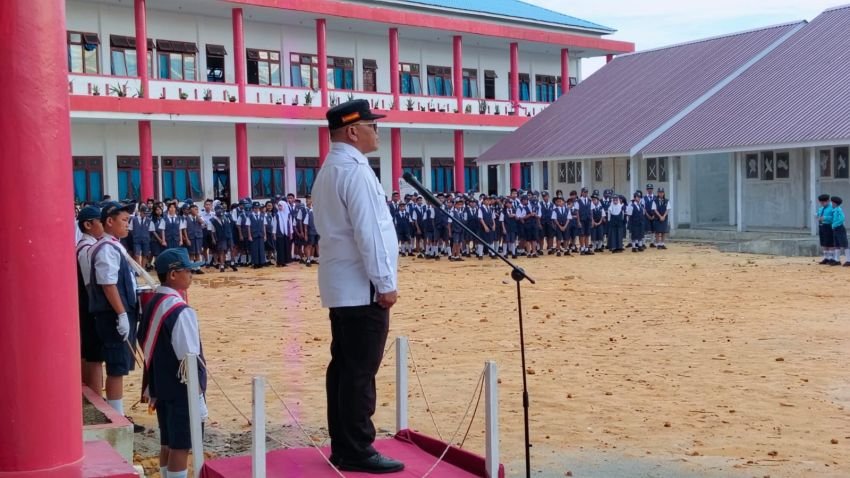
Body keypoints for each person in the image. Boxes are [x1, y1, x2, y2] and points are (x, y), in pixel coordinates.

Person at [312, 100, 404, 473]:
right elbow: (371, 233)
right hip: (362, 288)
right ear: (352, 131)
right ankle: (357, 449)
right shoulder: (355, 171)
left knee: (344, 369)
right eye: (371, 125)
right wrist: (385, 283)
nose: (377, 132)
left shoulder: (330, 169)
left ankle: (344, 445)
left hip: (343, 286)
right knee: (359, 373)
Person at [138, 248, 208, 478]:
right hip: (181, 389)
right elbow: (189, 357)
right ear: (173, 274)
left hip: (161, 383)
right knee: (181, 446)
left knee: (167, 442)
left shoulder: (153, 302)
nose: (191, 275)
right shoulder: (180, 310)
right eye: (187, 271)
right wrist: (198, 395)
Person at [87, 201, 143, 431]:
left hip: (121, 311)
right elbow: (108, 284)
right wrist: (121, 314)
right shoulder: (106, 249)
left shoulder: (115, 245)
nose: (127, 225)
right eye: (124, 220)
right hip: (112, 315)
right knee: (116, 366)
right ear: (109, 221)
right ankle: (117, 418)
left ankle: (117, 414)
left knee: (120, 364)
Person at [77, 205, 105, 393]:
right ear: (88, 225)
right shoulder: (86, 249)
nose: (103, 225)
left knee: (89, 353)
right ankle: (95, 396)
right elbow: (90, 285)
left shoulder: (85, 246)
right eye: (100, 222)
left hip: (87, 306)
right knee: (94, 355)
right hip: (90, 307)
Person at [816, 194, 835, 265]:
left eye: (823, 202)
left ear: (828, 201)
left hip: (829, 226)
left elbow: (834, 217)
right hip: (822, 226)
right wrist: (817, 215)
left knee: (830, 243)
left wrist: (825, 218)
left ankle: (831, 258)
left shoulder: (832, 208)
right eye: (821, 202)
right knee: (824, 243)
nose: (822, 204)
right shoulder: (821, 208)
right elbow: (818, 214)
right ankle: (826, 258)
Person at [831, 196, 847, 266]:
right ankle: (837, 260)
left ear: (835, 203)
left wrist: (835, 224)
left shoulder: (838, 210)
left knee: (844, 244)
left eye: (832, 202)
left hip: (839, 228)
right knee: (836, 244)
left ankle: (848, 260)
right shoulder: (835, 210)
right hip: (835, 228)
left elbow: (842, 218)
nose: (831, 204)